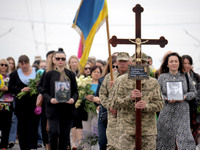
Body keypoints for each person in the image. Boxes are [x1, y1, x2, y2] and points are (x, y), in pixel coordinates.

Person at [109, 52, 163, 150]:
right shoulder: (121, 80)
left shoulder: (153, 82)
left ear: (147, 65)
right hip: (126, 129)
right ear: (131, 63)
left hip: (147, 130)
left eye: (143, 62)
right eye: (136, 62)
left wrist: (146, 106)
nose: (139, 65)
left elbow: (160, 103)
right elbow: (113, 103)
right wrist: (130, 98)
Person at [156, 52, 196, 149]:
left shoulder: (185, 76)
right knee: (164, 138)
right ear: (167, 64)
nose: (174, 63)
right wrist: (165, 98)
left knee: (184, 139)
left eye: (176, 61)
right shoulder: (162, 77)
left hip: (182, 112)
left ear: (179, 63)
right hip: (166, 111)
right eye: (171, 61)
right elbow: (157, 94)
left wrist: (185, 96)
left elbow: (194, 92)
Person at [43, 50, 78, 150]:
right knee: (53, 132)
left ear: (65, 60)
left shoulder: (70, 74)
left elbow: (76, 92)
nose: (60, 61)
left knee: (64, 135)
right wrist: (50, 99)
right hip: (53, 109)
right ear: (54, 60)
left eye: (63, 58)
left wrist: (73, 99)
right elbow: (44, 91)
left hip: (67, 109)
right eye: (58, 58)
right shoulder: (49, 74)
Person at [99, 52, 130, 150]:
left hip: (128, 118)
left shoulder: (133, 77)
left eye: (125, 61)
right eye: (120, 61)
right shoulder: (109, 77)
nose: (123, 64)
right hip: (113, 118)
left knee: (126, 146)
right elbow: (102, 94)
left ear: (129, 62)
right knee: (111, 145)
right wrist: (110, 106)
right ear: (116, 62)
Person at [8, 55, 40, 150]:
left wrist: (37, 87)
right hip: (21, 106)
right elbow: (10, 88)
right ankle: (24, 147)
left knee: (33, 126)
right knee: (22, 128)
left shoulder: (37, 72)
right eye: (22, 64)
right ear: (19, 64)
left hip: (34, 105)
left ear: (29, 62)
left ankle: (33, 147)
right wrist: (20, 90)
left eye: (26, 63)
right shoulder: (14, 74)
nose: (24, 66)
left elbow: (42, 86)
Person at [96, 55, 117, 150]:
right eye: (113, 67)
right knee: (103, 141)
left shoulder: (126, 80)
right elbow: (99, 95)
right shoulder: (102, 79)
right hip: (105, 113)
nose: (115, 69)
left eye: (117, 66)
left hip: (119, 115)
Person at [182, 54, 200, 146]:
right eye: (185, 63)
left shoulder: (196, 77)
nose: (187, 65)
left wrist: (193, 97)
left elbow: (198, 93)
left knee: (193, 137)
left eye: (189, 63)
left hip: (193, 110)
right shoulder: (178, 77)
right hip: (182, 108)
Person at [0, 59, 14, 150]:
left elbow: (14, 89)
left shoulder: (10, 77)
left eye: (6, 65)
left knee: (6, 125)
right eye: (2, 64)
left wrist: (8, 89)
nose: (4, 66)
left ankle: (4, 145)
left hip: (8, 103)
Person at [6, 57, 18, 149]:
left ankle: (11, 140)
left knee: (14, 119)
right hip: (3, 101)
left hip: (13, 99)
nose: (10, 65)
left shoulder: (16, 74)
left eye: (12, 63)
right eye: (8, 63)